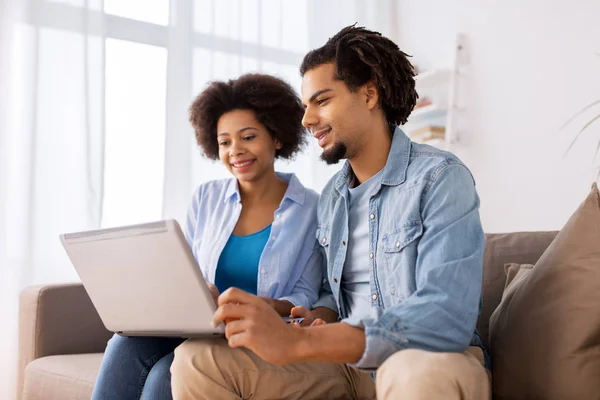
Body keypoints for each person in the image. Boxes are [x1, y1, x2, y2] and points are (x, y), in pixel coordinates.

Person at [171, 25, 490, 400]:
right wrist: (315, 318)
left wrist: (303, 345)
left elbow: (445, 317)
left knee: (413, 372)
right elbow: (331, 293)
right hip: (343, 367)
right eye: (306, 106)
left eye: (321, 101)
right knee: (196, 358)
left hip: (428, 360)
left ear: (369, 94)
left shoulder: (439, 178)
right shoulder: (333, 197)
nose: (307, 120)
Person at [90, 73, 322, 400]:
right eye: (225, 141)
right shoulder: (207, 198)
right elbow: (187, 270)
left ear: (277, 137)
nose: (235, 151)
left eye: (248, 137)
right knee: (124, 343)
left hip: (255, 333)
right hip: (202, 326)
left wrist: (261, 305)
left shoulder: (312, 208)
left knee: (163, 375)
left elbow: (306, 294)